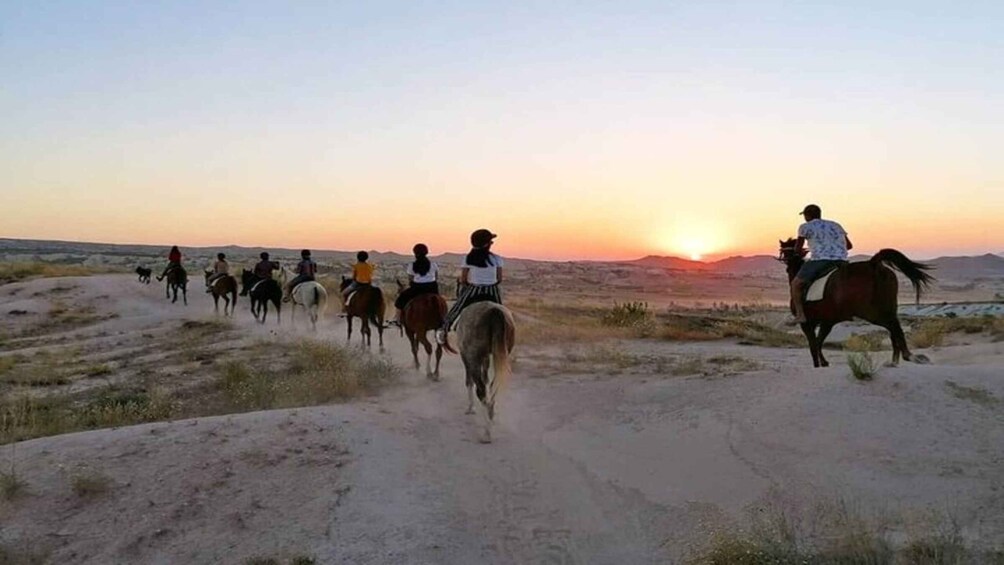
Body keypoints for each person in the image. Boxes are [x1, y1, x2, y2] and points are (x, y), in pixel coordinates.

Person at [436, 229, 503, 345]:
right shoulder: (497, 258)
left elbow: (463, 279)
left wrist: (467, 285)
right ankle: (504, 338)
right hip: (492, 290)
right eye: (491, 241)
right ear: (487, 244)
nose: (492, 243)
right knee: (501, 312)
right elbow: (499, 279)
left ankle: (444, 329)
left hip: (473, 290)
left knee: (457, 308)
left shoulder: (467, 258)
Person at [790, 204, 853, 323]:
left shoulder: (805, 227)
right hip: (842, 260)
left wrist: (803, 251)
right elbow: (849, 246)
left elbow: (797, 250)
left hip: (820, 260)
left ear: (807, 215)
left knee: (796, 284)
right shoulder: (835, 225)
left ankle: (800, 315)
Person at [392, 243, 440, 326]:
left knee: (400, 301)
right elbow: (436, 278)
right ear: (426, 252)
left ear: (414, 253)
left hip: (417, 289)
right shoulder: (433, 264)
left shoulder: (411, 265)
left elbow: (410, 279)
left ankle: (397, 319)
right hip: (432, 288)